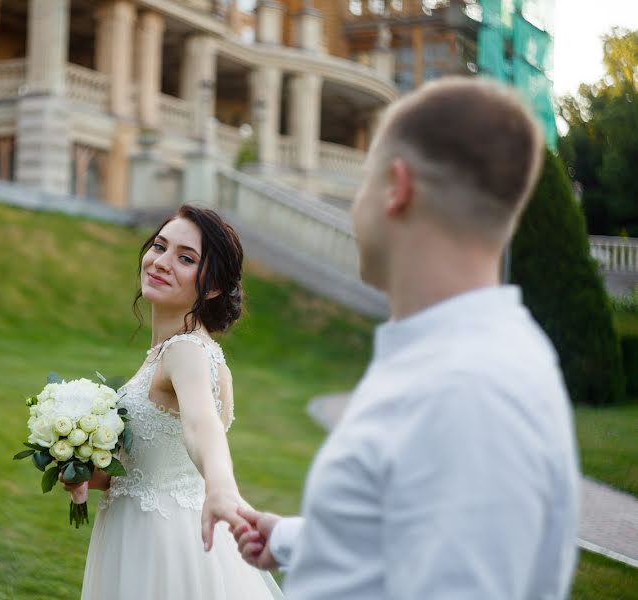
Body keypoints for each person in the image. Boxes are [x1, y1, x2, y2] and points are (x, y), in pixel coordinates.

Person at [233, 77, 581, 599]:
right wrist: (291, 538)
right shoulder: (456, 358)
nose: (356, 204)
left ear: (397, 187)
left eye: (365, 179)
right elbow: (409, 533)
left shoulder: (468, 390)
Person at [65, 205, 283, 599]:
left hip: (163, 542)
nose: (162, 262)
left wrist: (220, 485)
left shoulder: (185, 351)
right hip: (135, 530)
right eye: (159, 247)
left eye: (186, 258)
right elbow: (154, 465)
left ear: (213, 286)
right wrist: (91, 475)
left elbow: (202, 426)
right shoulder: (175, 351)